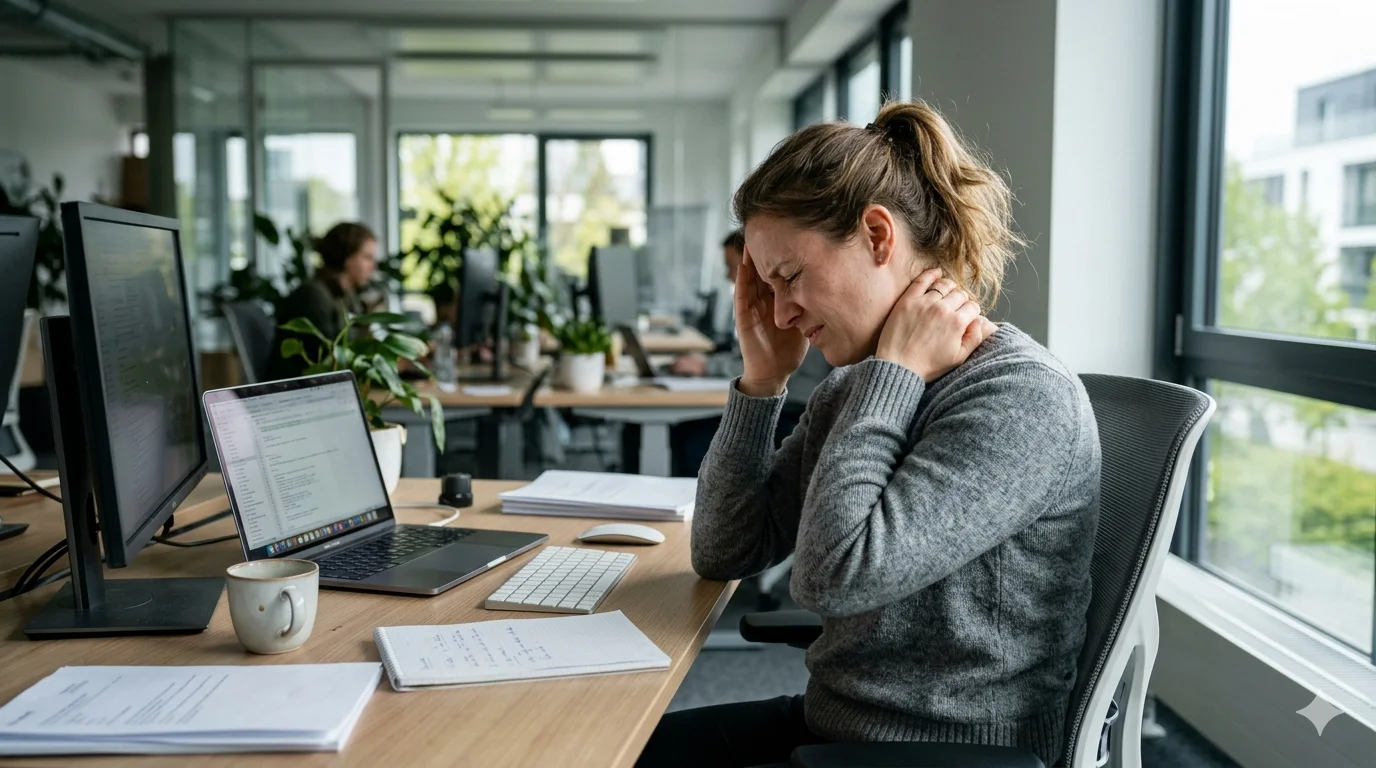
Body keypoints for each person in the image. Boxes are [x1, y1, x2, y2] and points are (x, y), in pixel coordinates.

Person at [637, 101, 1100, 768]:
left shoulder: (1021, 399)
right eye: (767, 289)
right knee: (596, 751)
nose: (784, 311)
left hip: (939, 756)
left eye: (790, 278)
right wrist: (760, 383)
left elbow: (834, 577)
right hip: (839, 730)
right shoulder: (863, 388)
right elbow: (724, 549)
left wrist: (892, 373)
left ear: (879, 236)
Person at [266, 221, 378, 381]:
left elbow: (359, 346)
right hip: (303, 392)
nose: (373, 266)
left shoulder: (347, 295)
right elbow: (330, 360)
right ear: (347, 258)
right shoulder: (312, 296)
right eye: (367, 257)